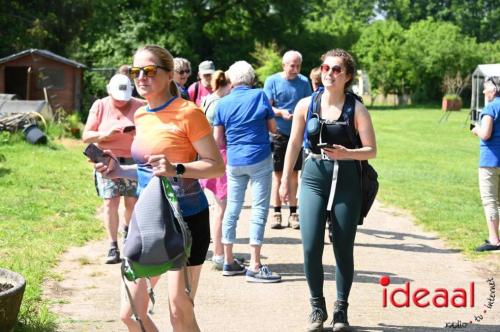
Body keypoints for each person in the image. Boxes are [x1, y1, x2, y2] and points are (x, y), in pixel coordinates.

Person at [95, 45, 224, 331]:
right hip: (149, 220)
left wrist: (177, 168)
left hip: (187, 220)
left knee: (180, 310)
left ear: (169, 76)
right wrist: (118, 169)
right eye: (135, 71)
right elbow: (147, 171)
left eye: (149, 71)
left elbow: (215, 166)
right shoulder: (141, 115)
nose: (141, 77)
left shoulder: (189, 113)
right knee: (130, 312)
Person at [279, 49, 376, 331]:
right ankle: (317, 307)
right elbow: (294, 144)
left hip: (347, 181)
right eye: (325, 68)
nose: (329, 73)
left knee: (343, 248)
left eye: (336, 69)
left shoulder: (356, 108)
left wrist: (347, 153)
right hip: (313, 177)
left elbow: (372, 150)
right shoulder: (305, 105)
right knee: (310, 246)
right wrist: (286, 179)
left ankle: (341, 309)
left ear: (346, 76)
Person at [213, 61, 281, 283]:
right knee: (260, 209)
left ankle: (228, 260)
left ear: (232, 80)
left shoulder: (222, 104)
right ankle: (254, 264)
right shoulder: (259, 96)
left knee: (232, 209)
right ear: (251, 79)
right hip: (259, 157)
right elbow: (273, 128)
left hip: (234, 160)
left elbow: (217, 139)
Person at [83, 73, 144, 264]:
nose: (121, 102)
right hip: (107, 159)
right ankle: (112, 245)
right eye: (117, 98)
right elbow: (86, 136)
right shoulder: (100, 105)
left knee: (132, 202)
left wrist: (137, 132)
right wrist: (104, 134)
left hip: (133, 159)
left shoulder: (140, 106)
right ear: (109, 90)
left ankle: (128, 232)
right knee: (110, 202)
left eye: (124, 99)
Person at [264, 50, 312, 230]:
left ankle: (293, 213)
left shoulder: (304, 82)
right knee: (277, 176)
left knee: (294, 175)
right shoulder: (272, 81)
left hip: (297, 135)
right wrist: (280, 112)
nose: (295, 69)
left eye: (298, 65)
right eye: (292, 65)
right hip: (278, 134)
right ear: (284, 65)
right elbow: (266, 106)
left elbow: (309, 103)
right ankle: (276, 213)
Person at [200, 70, 232, 270]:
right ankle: (219, 254)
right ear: (227, 84)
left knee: (215, 208)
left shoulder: (207, 100)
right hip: (220, 155)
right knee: (221, 209)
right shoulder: (221, 104)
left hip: (207, 155)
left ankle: (217, 251)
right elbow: (220, 136)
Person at [471, 76, 500, 252]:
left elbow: (486, 134)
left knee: (490, 200)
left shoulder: (490, 108)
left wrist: (475, 129)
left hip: (490, 161)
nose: (483, 91)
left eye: (486, 88)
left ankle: (494, 239)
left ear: (494, 90)